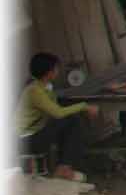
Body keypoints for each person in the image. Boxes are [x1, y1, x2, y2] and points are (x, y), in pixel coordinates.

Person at [17, 52, 97, 181]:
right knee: (70, 119)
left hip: (33, 134)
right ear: (49, 72)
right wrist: (84, 106)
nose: (58, 71)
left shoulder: (43, 86)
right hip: (25, 140)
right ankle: (64, 169)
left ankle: (65, 166)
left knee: (70, 120)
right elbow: (58, 113)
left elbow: (54, 108)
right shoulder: (34, 90)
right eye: (56, 68)